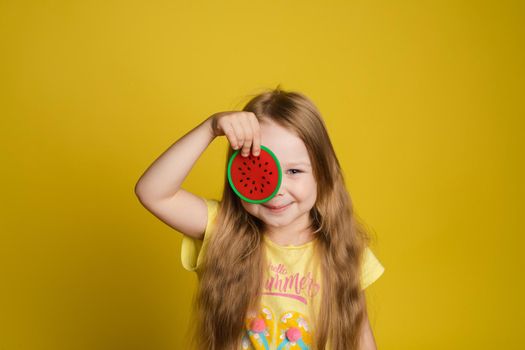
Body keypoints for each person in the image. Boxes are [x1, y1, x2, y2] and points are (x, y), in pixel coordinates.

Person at [135, 86, 385, 350]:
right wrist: (210, 128)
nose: (275, 189)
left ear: (323, 173)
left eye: (294, 171)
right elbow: (153, 193)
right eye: (258, 170)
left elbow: (359, 334)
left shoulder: (344, 250)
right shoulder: (223, 230)